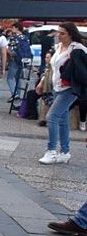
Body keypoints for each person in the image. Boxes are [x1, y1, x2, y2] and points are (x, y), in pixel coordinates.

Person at [37, 22, 84, 164]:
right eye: (58, 32)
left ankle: (51, 151)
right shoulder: (58, 47)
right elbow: (52, 67)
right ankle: (64, 152)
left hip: (69, 88)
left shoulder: (77, 48)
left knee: (51, 116)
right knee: (63, 121)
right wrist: (42, 81)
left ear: (71, 34)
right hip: (57, 87)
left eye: (62, 33)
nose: (59, 35)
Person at [6, 22, 30, 100]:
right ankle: (18, 94)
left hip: (15, 59)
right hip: (23, 60)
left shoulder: (13, 37)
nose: (12, 30)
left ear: (16, 28)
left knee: (10, 78)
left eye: (13, 28)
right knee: (18, 77)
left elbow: (10, 49)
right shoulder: (25, 37)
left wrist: (9, 53)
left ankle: (14, 93)